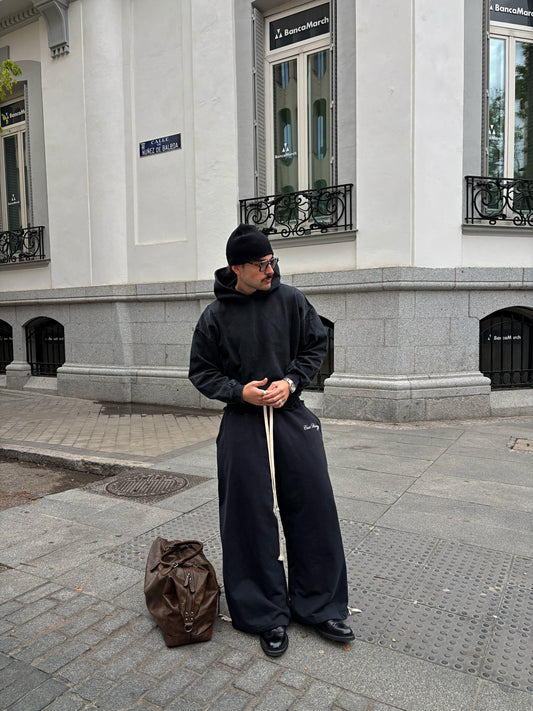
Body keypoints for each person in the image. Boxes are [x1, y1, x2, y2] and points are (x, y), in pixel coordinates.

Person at [188, 223, 353, 657]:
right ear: (236, 268)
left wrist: (292, 381)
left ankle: (320, 605)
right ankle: (264, 612)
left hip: (291, 414)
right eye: (261, 264)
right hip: (242, 420)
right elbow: (201, 371)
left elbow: (315, 346)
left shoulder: (292, 300)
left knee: (314, 505)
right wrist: (237, 391)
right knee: (248, 515)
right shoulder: (214, 316)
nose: (270, 269)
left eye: (272, 260)